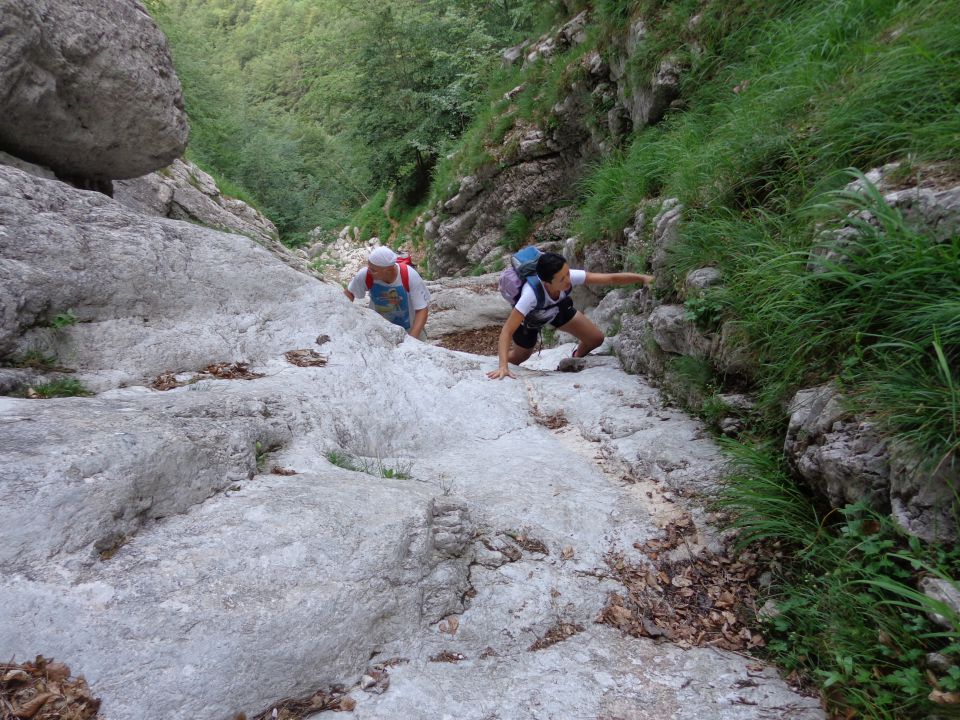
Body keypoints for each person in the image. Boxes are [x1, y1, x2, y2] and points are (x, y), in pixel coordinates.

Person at [487, 251, 653, 380]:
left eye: (567, 273)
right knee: (519, 357)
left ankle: (574, 360)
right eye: (562, 278)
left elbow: (609, 278)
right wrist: (503, 367)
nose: (568, 280)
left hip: (556, 309)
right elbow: (507, 331)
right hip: (531, 319)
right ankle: (494, 364)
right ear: (546, 282)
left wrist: (642, 278)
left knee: (595, 339)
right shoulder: (529, 295)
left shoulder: (566, 276)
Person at [344, 246, 430, 338]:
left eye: (374, 270)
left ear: (388, 270)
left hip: (409, 331)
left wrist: (412, 339)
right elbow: (349, 293)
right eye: (369, 267)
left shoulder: (410, 276)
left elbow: (421, 310)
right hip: (379, 332)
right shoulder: (365, 275)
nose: (369, 271)